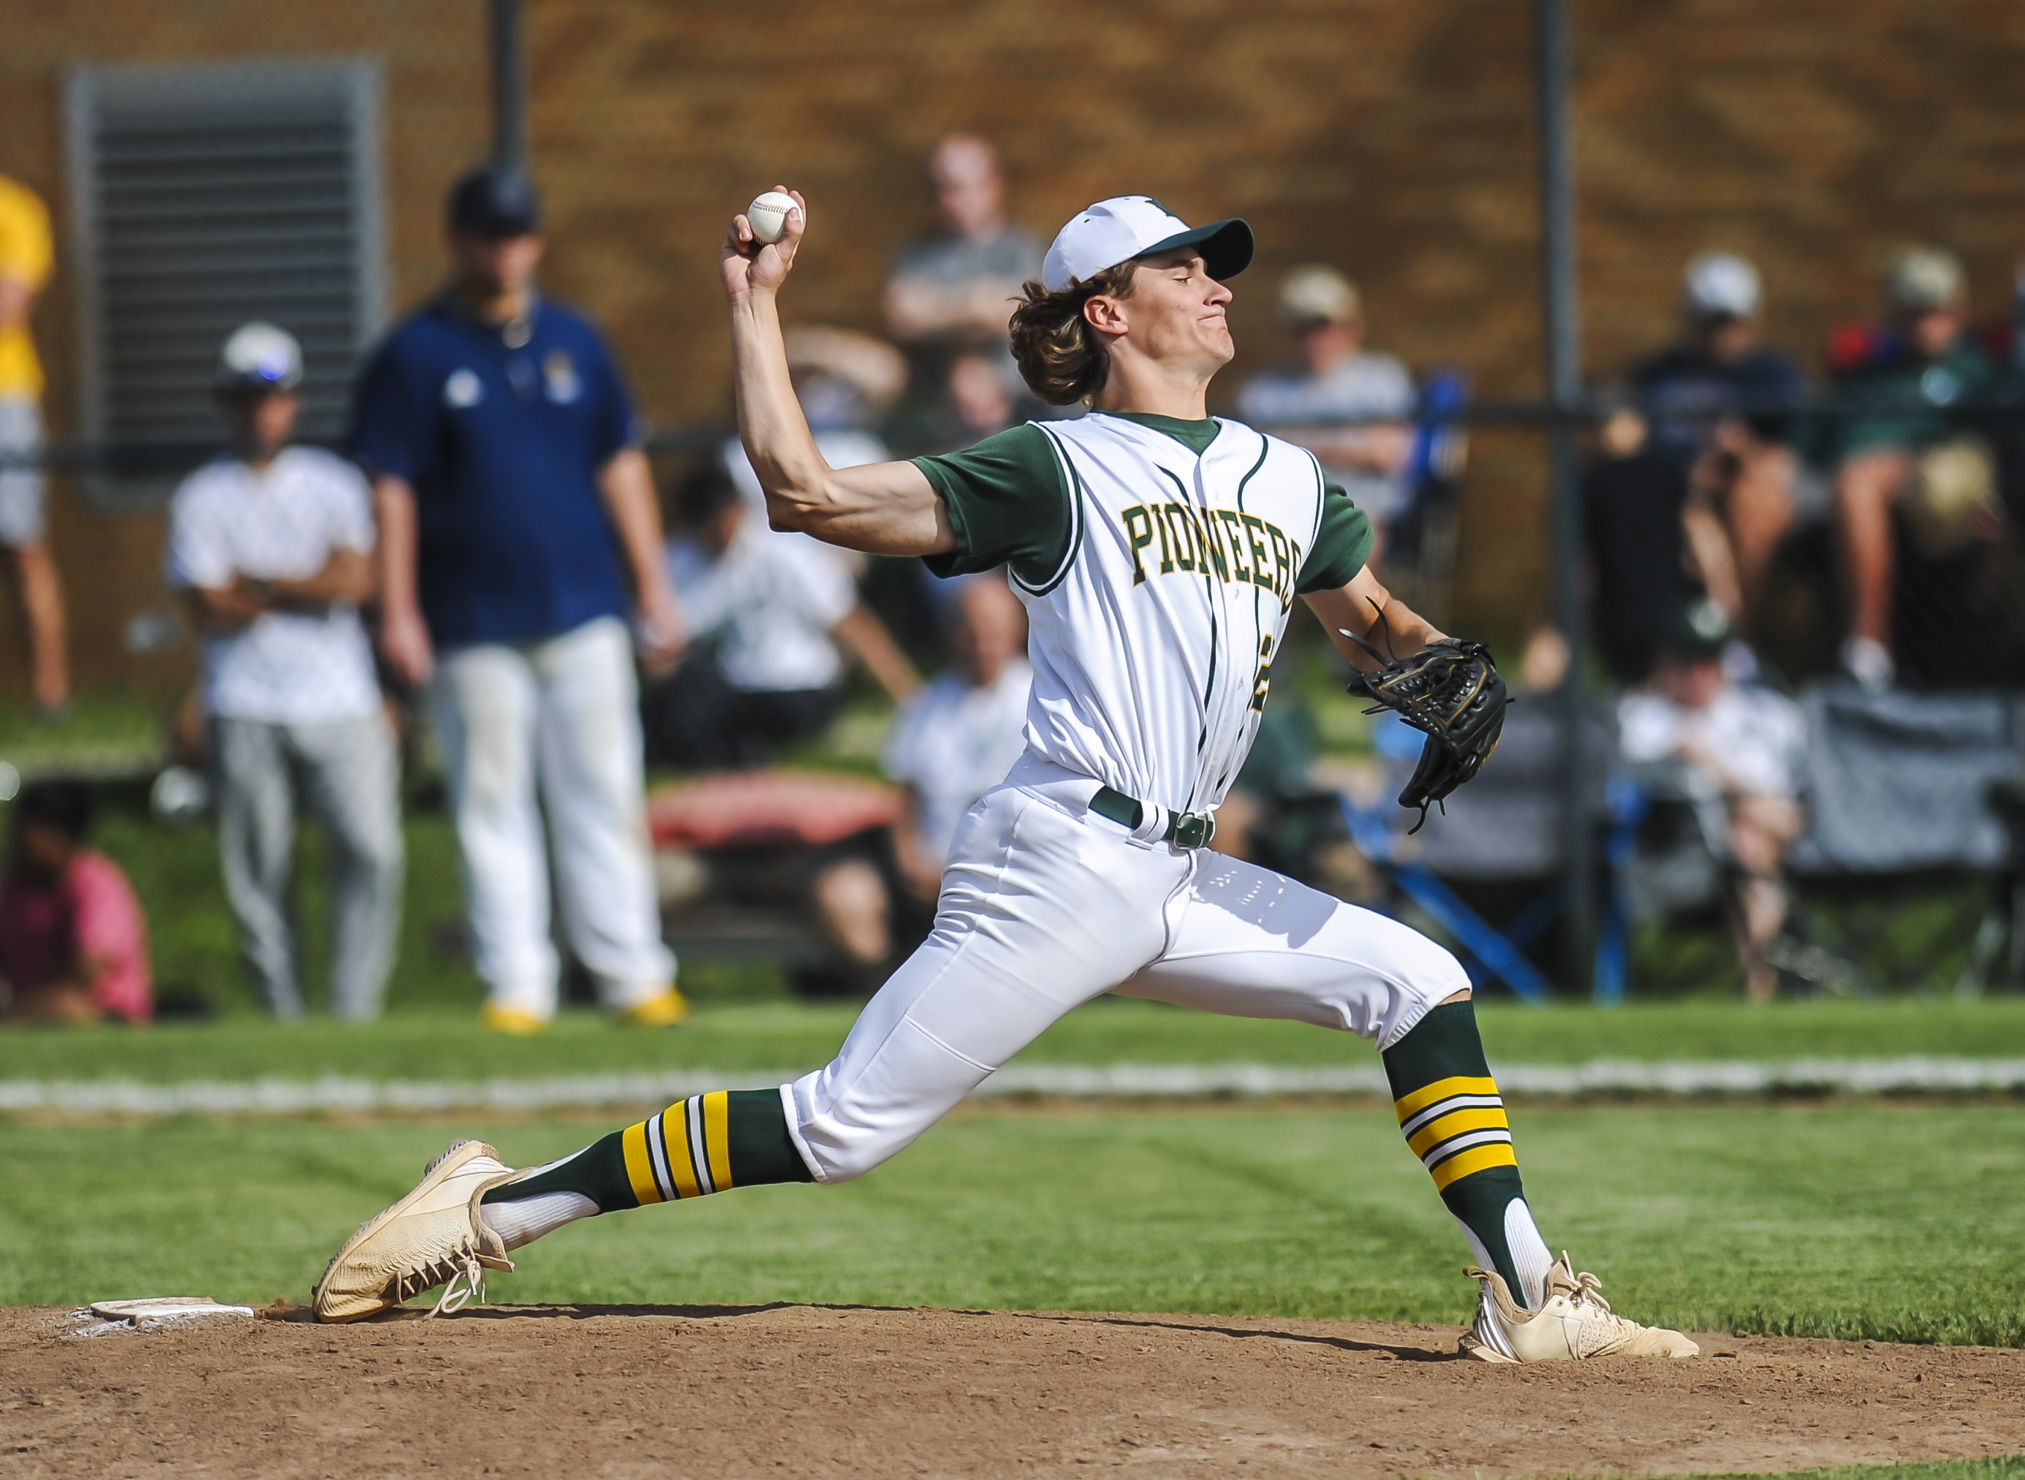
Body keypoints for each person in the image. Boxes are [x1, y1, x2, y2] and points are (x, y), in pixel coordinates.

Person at [313, 190, 1697, 1365]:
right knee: (843, 1126)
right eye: (1183, 267)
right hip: (1061, 856)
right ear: (1106, 309)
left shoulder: (1291, 480)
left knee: (1419, 983)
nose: (1216, 288)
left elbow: (1373, 623)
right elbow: (800, 492)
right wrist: (755, 303)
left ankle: (1526, 1301)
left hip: (1179, 870)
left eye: (1215, 268)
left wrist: (1440, 664)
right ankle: (496, 1211)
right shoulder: (1054, 469)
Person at [349, 166, 687, 1035]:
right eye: (489, 235)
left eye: (518, 234)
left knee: (605, 788)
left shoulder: (576, 337)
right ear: (458, 240)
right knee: (490, 799)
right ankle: (518, 983)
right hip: (470, 619)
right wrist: (398, 609)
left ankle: (630, 972)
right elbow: (391, 487)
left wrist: (653, 585)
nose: (504, 251)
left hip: (582, 604)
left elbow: (619, 462)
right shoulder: (414, 352)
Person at [166, 323, 403, 1021]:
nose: (258, 410)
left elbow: (357, 579)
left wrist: (261, 582)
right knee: (258, 873)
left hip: (341, 696)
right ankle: (282, 1015)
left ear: (294, 401)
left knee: (371, 850)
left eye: (271, 396)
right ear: (223, 402)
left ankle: (354, 1009)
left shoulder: (331, 481)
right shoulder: (200, 495)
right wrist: (308, 582)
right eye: (243, 396)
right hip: (243, 698)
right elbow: (207, 606)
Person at [644, 464, 919, 769]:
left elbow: (852, 624)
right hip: (733, 688)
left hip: (796, 688)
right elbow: (658, 651)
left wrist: (909, 701)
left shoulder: (787, 555)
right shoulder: (678, 564)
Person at [1827, 247, 1998, 690]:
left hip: (1955, 499)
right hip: (1863, 498)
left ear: (1958, 311)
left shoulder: (1979, 373)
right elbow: (1821, 446)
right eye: (1916, 312)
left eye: (1939, 311)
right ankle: (1867, 652)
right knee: (1855, 481)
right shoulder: (1865, 374)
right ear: (1895, 315)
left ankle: (1870, 645)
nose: (1929, 324)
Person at [1618, 601, 1806, 1004]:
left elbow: (1774, 791)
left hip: (1750, 848)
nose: (1701, 672)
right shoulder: (1642, 718)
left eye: (1711, 659)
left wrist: (1714, 768)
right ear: (1664, 661)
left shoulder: (1759, 716)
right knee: (1751, 840)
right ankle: (1762, 982)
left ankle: (1759, 983)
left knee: (1750, 839)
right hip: (1675, 859)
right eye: (1688, 659)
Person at [1631, 252, 1812, 644]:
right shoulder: (1660, 376)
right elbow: (1635, 441)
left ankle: (1736, 643)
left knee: (1753, 499)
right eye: (1711, 322)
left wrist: (1740, 452)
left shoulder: (1774, 377)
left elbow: (1793, 454)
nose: (1722, 334)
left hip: (1743, 491)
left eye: (1732, 322)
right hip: (1674, 493)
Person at [1236, 265, 1417, 544]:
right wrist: (1352, 447)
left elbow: (1390, 452)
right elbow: (1249, 461)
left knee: (1357, 540)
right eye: (1301, 327)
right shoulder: (1264, 390)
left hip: (1365, 511)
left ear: (1350, 325)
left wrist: (1294, 447)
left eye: (1322, 324)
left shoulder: (1383, 379)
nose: (1313, 338)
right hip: (1282, 513)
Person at [883, 572, 1031, 906]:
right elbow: (903, 795)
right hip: (930, 881)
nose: (980, 645)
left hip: (1013, 882)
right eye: (970, 632)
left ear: (1015, 633)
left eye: (992, 633)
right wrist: (910, 863)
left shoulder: (1040, 702)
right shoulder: (925, 706)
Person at [883, 136, 1041, 410]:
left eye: (958, 188)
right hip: (930, 394)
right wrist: (974, 303)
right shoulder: (919, 253)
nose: (947, 200)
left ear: (992, 186)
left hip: (1012, 396)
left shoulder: (1021, 250)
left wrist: (935, 309)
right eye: (939, 189)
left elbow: (1018, 316)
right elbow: (901, 318)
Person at [0, 781, 149, 1025]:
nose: (15, 846)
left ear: (58, 839)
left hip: (104, 1013)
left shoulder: (97, 884)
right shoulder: (14, 890)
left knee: (66, 1006)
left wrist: (21, 1006)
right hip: (31, 1007)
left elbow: (88, 967)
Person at [0, 174, 66, 714]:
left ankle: (48, 697)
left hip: (6, 398)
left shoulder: (16, 208)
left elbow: (8, 307)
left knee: (22, 547)